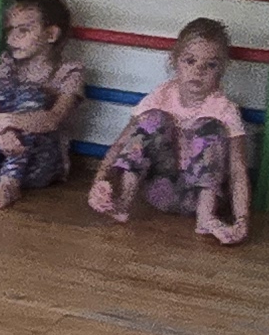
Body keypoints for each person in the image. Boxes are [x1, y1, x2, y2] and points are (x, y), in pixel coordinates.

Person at [90, 19, 252, 244]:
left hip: (199, 197)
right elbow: (122, 142)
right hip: (159, 190)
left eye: (210, 65)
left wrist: (242, 220)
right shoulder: (161, 96)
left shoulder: (224, 109)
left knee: (211, 126)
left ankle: (206, 217)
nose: (198, 71)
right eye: (190, 61)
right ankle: (124, 203)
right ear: (175, 61)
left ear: (222, 69)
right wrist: (100, 181)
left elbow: (238, 169)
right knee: (154, 118)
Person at [0, 0, 90, 211]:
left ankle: (9, 184)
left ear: (51, 34)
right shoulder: (8, 65)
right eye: (11, 30)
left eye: (23, 30)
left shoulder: (68, 72)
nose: (11, 39)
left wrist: (7, 121)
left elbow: (53, 119)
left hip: (40, 165)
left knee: (31, 95)